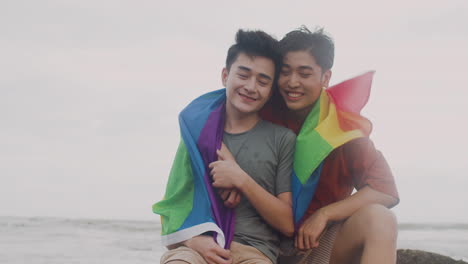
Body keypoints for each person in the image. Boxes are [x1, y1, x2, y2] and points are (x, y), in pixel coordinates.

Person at [260, 26, 400, 264]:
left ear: (326, 77)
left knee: (381, 219)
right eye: (285, 72)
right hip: (259, 244)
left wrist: (325, 214)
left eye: (305, 74)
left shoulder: (340, 126)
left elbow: (384, 190)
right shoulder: (261, 109)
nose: (292, 82)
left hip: (316, 245)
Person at [157, 29, 296, 264]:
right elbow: (171, 210)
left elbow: (287, 223)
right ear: (225, 76)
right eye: (243, 75)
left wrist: (240, 179)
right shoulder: (197, 134)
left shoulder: (282, 139)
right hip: (198, 247)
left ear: (271, 90)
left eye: (263, 81)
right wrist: (192, 240)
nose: (251, 87)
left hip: (254, 252)